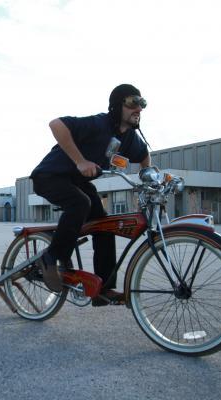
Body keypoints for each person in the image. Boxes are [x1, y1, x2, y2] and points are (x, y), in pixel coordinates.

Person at [30, 84, 152, 306]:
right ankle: (49, 258)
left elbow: (144, 155)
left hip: (76, 182)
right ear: (118, 105)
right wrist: (80, 161)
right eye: (133, 103)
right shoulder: (99, 124)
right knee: (80, 203)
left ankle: (103, 289)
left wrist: (148, 177)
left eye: (142, 104)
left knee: (105, 225)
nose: (139, 109)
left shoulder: (129, 137)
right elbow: (56, 124)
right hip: (50, 176)